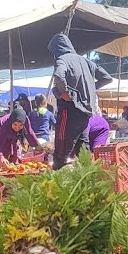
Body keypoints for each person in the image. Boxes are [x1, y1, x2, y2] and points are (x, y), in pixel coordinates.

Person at [50, 33, 112, 169]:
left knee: (61, 151)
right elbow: (107, 77)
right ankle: (88, 178)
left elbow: (59, 76)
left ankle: (55, 179)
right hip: (85, 113)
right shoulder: (86, 61)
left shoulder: (62, 60)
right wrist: (90, 88)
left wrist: (63, 93)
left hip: (69, 111)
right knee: (83, 151)